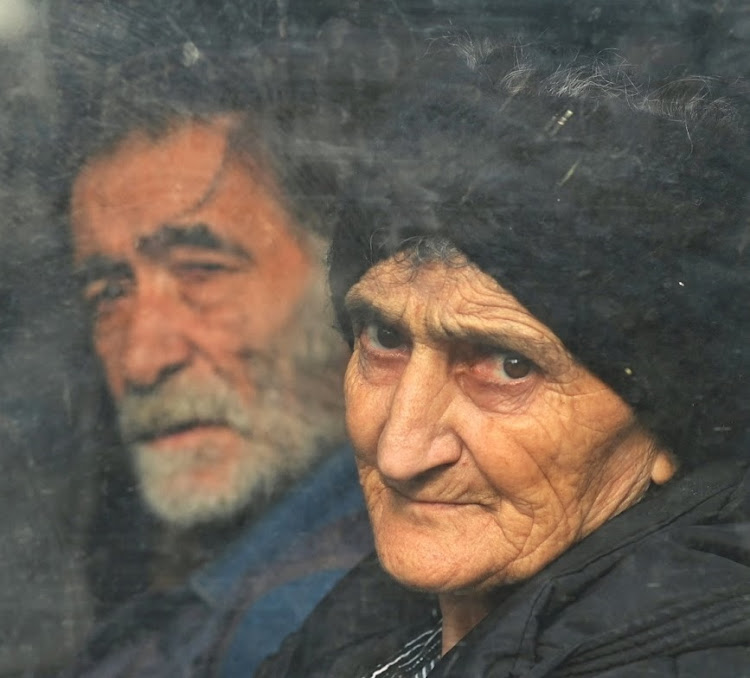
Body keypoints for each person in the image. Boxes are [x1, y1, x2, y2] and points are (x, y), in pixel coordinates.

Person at [256, 40, 750, 677]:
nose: (400, 451)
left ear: (670, 426)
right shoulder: (384, 623)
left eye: (507, 366)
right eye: (383, 339)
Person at [62, 45, 373, 677]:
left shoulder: (333, 613)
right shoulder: (212, 592)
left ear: (344, 286)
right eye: (109, 294)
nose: (144, 359)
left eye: (202, 271)